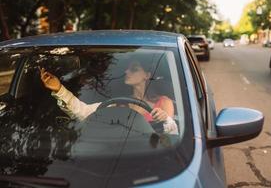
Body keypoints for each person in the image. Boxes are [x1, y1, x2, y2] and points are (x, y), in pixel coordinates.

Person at [39, 58, 178, 135]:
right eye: (127, 68)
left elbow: (170, 136)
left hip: (150, 158)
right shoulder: (118, 104)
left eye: (133, 69)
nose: (126, 71)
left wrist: (165, 119)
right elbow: (82, 111)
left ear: (147, 76)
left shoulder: (164, 102)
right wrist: (59, 89)